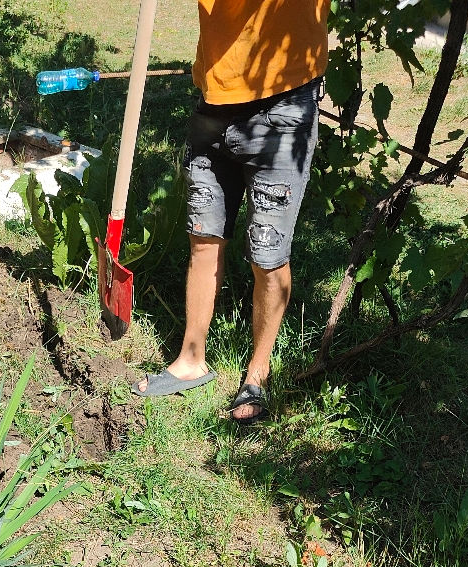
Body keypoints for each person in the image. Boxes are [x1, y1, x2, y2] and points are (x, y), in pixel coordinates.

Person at [133, 0, 329, 424]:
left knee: (267, 255)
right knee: (203, 239)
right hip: (215, 99)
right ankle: (191, 358)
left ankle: (258, 373)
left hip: (285, 100)